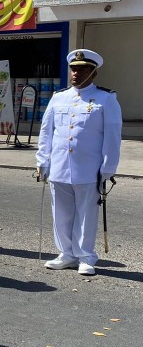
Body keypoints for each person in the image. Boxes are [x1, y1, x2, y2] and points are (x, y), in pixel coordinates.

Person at [36, 49, 122, 277]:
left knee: (86, 214)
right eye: (74, 69)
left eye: (82, 69)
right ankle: (66, 253)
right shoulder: (58, 97)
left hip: (88, 168)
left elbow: (112, 136)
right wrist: (42, 161)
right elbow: (46, 132)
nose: (76, 73)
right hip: (59, 166)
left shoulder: (106, 98)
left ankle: (85, 256)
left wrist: (108, 167)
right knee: (61, 213)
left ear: (93, 73)